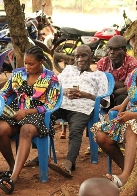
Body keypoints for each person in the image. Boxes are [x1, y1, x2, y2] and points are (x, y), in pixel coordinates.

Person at [0, 45, 61, 194]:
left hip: (40, 116)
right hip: (18, 113)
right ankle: (13, 166)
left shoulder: (51, 78)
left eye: (31, 64)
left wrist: (28, 112)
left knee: (25, 130)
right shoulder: (18, 74)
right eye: (25, 63)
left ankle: (14, 179)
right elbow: (6, 92)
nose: (27, 67)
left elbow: (51, 104)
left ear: (41, 62)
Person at [46, 45, 110, 177]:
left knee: (75, 131)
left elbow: (104, 101)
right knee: (44, 119)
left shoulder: (99, 75)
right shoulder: (68, 70)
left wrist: (86, 95)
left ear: (91, 57)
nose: (80, 59)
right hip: (62, 104)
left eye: (83, 56)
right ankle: (43, 156)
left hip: (83, 107)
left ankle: (69, 164)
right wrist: (65, 92)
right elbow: (54, 87)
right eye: (77, 56)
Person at [90, 67, 137, 188]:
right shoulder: (136, 72)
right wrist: (122, 105)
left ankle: (125, 176)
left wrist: (133, 115)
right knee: (101, 136)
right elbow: (132, 92)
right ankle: (132, 174)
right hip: (129, 116)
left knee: (131, 128)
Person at [96, 35, 137, 109]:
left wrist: (111, 90)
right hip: (105, 96)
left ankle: (118, 119)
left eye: (116, 49)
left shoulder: (132, 63)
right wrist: (116, 85)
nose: (112, 52)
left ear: (125, 51)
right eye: (110, 49)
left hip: (122, 97)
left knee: (121, 99)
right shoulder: (103, 62)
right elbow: (96, 82)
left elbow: (130, 89)